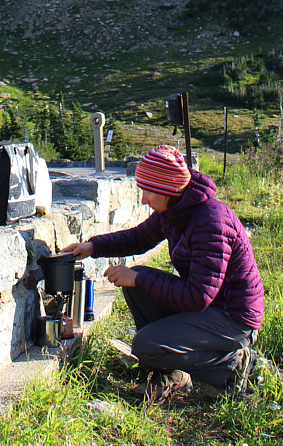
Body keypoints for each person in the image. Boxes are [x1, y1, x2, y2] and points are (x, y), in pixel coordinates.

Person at [63, 145, 264, 398]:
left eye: (147, 191)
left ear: (167, 188)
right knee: (137, 287)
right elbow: (139, 238)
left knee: (145, 344)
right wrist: (93, 246)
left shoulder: (211, 221)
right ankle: (171, 374)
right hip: (210, 307)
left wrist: (139, 278)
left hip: (233, 318)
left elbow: (198, 296)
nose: (144, 199)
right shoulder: (175, 210)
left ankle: (233, 365)